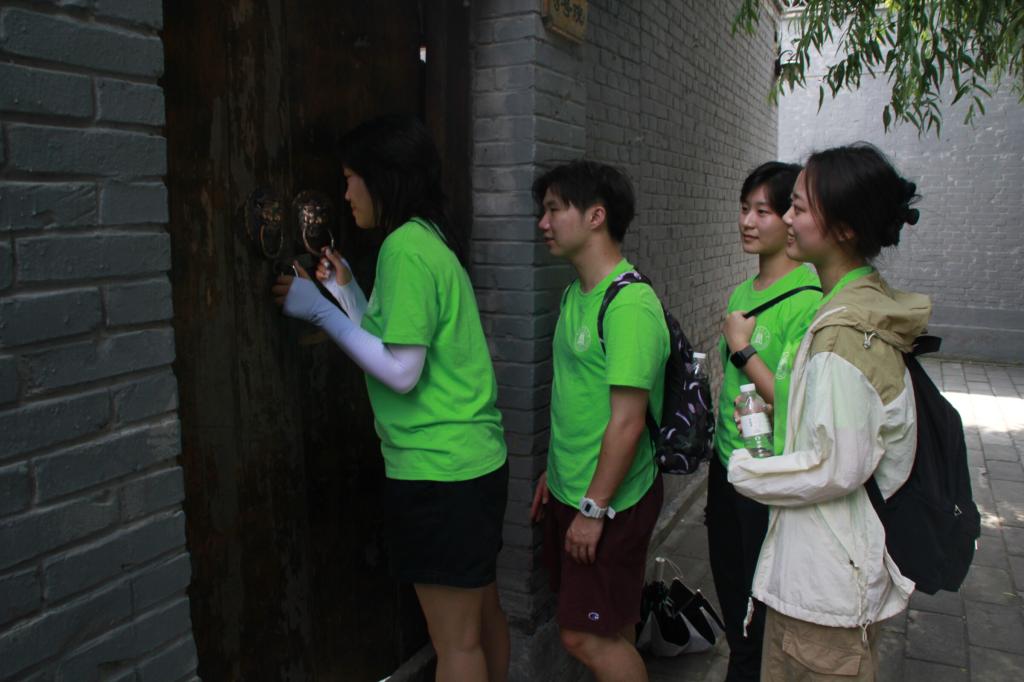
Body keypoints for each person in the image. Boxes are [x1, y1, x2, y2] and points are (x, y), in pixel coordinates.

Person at [272, 114, 510, 682]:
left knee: (456, 647)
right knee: (482, 618)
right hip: (471, 463)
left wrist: (319, 312)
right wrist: (348, 292)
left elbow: (401, 372)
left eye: (350, 179)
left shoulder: (404, 248)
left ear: (384, 176)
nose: (345, 194)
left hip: (437, 472)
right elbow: (394, 343)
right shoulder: (429, 237)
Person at [728, 143, 929, 681]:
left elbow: (836, 463)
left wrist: (742, 471)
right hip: (821, 574)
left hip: (827, 589)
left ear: (843, 228)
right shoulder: (850, 306)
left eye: (797, 207)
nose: (786, 219)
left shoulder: (844, 335)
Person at [529, 160, 667, 682]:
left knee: (582, 635)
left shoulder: (629, 305)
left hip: (611, 501)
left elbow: (628, 423)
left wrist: (592, 508)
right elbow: (576, 401)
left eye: (554, 209)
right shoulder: (575, 294)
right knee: (610, 627)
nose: (543, 223)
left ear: (595, 216)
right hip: (575, 487)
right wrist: (556, 472)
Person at [706, 161, 820, 681]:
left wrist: (742, 347)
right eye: (743, 209)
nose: (747, 221)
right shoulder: (741, 292)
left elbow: (793, 401)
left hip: (769, 475)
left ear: (789, 219)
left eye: (763, 211)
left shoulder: (809, 301)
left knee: (761, 608)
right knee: (732, 597)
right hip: (726, 465)